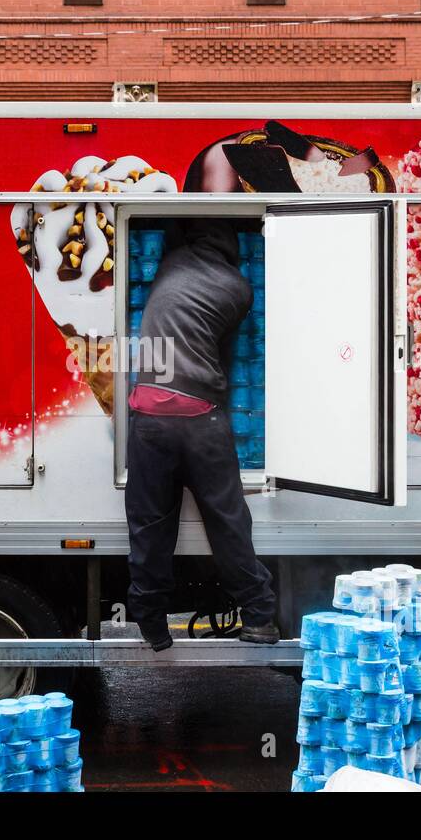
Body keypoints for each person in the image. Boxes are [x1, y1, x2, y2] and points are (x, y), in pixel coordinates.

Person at [125, 218, 278, 652]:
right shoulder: (238, 289)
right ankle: (259, 617)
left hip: (150, 415)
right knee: (227, 521)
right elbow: (222, 357)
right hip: (201, 418)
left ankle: (153, 626)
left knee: (150, 524)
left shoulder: (168, 265)